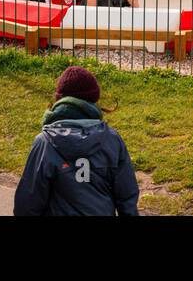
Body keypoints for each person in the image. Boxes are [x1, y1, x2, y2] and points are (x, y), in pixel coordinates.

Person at [12, 66, 139, 216]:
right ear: (94, 100)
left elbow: (27, 203)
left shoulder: (45, 143)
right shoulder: (112, 140)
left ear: (59, 99)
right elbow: (127, 197)